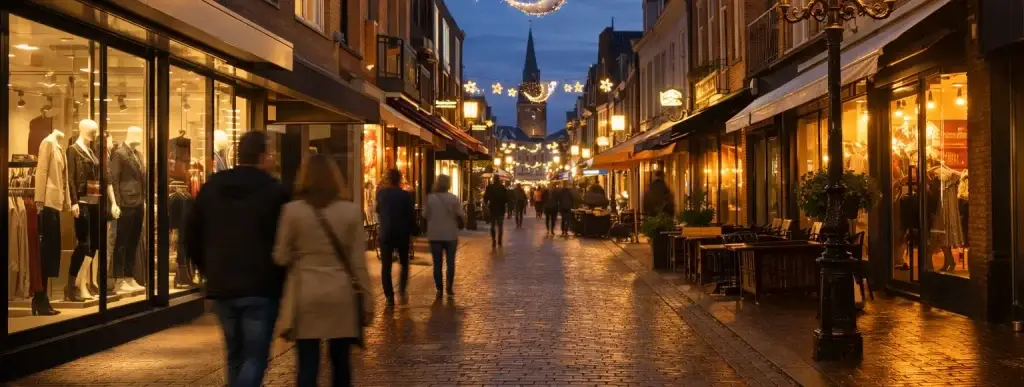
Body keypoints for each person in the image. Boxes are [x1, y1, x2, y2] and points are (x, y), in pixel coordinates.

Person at [185, 131, 289, 387]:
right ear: (262, 156)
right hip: (261, 287)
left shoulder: (213, 187)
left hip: (222, 287)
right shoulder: (274, 191)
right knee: (255, 357)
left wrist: (207, 270)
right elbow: (285, 240)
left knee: (235, 355)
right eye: (270, 154)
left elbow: (191, 234)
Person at [273, 154, 373, 387]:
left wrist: (300, 254)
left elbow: (280, 256)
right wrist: (368, 301)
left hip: (306, 293)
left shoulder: (292, 211)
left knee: (307, 364)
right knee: (341, 361)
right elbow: (358, 263)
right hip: (341, 293)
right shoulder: (350, 212)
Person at [376, 169, 416, 306]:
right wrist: (414, 229)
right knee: (404, 263)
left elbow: (378, 210)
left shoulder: (381, 194)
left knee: (386, 266)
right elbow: (410, 215)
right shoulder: (405, 195)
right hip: (402, 233)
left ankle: (389, 297)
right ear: (399, 180)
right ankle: (402, 290)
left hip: (386, 233)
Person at [423, 174, 465, 299]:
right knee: (450, 262)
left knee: (437, 263)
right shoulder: (453, 198)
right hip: (450, 234)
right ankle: (449, 288)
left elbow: (425, 215)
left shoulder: (430, 198)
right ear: (448, 184)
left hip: (435, 235)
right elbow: (461, 214)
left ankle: (439, 288)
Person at [483, 176, 508, 247]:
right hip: (501, 209)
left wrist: (486, 205)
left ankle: (493, 240)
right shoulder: (502, 187)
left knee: (492, 225)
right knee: (500, 226)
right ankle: (499, 240)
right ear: (499, 180)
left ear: (493, 180)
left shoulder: (489, 187)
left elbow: (485, 198)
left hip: (492, 208)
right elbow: (506, 198)